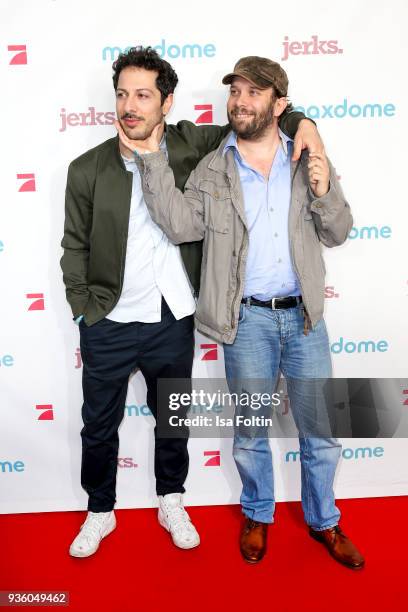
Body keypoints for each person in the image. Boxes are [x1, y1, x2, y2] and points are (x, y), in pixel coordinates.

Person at [61, 46, 324, 558]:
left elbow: (258, 118)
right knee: (98, 425)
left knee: (173, 421)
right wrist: (83, 308)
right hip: (108, 320)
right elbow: (74, 245)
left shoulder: (195, 145)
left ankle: (171, 498)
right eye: (122, 94)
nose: (129, 106)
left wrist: (306, 122)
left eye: (142, 95)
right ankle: (99, 510)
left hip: (172, 317)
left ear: (167, 102)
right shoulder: (85, 168)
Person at [118, 55, 365, 569]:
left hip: (304, 321)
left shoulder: (305, 157)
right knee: (251, 430)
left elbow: (337, 231)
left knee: (320, 430)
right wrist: (151, 160)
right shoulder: (213, 167)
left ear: (279, 104)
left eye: (254, 93)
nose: (239, 101)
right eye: (235, 91)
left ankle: (325, 520)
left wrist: (322, 192)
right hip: (245, 321)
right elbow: (182, 226)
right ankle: (258, 512)